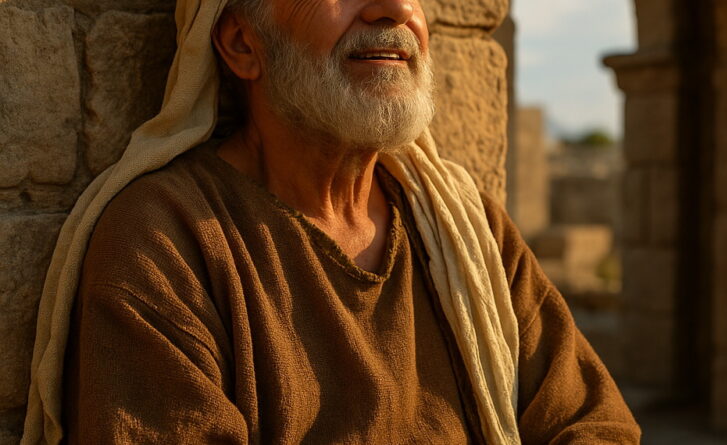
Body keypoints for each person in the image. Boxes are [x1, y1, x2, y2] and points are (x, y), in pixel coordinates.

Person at [23, 0, 641, 443]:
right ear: (242, 43)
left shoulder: (468, 230)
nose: (396, 9)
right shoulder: (166, 242)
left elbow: (597, 424)